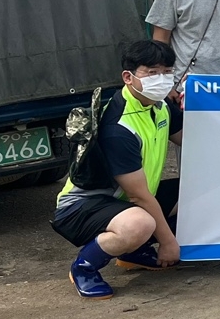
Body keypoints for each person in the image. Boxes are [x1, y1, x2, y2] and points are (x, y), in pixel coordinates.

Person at [52, 40, 183, 299]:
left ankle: (133, 252)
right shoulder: (119, 127)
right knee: (140, 223)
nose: (162, 79)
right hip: (81, 207)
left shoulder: (159, 105)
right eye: (152, 72)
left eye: (168, 72)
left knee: (197, 191)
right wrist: (168, 243)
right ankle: (85, 267)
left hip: (125, 201)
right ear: (128, 77)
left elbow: (192, 139)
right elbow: (139, 197)